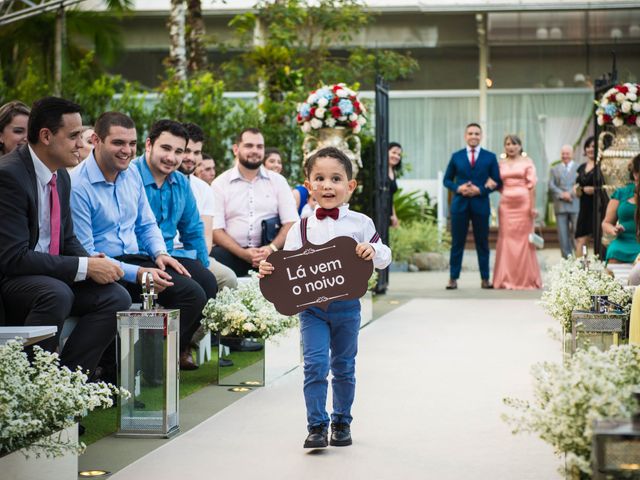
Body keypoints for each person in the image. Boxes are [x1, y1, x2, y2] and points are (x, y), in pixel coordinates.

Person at [258, 146, 391, 449]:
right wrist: (269, 269)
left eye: (336, 179)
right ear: (308, 186)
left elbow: (384, 256)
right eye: (319, 178)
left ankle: (342, 421)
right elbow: (285, 265)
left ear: (350, 186)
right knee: (315, 365)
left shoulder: (361, 224)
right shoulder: (301, 227)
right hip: (312, 311)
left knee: (344, 365)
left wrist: (374, 251)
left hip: (347, 309)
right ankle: (316, 425)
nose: (328, 185)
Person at [0, 97, 131, 376]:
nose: (81, 145)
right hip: (12, 280)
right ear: (46, 136)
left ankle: (67, 385)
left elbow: (67, 239)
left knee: (116, 296)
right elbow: (13, 258)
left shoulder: (62, 176)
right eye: (73, 136)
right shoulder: (8, 175)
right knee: (56, 294)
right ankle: (32, 387)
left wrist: (90, 260)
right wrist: (84, 267)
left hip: (47, 274)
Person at [70, 112, 207, 370]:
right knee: (189, 293)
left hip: (136, 258)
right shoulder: (78, 184)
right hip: (102, 268)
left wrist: (159, 253)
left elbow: (146, 224)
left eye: (131, 144)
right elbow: (86, 252)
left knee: (196, 288)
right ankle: (137, 368)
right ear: (96, 140)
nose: (127, 151)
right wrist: (140, 274)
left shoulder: (130, 174)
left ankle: (149, 365)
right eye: (118, 143)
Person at [211, 128, 298, 277]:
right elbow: (216, 229)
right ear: (236, 149)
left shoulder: (278, 181)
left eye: (260, 147)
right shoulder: (220, 183)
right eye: (249, 146)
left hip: (271, 253)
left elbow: (291, 222)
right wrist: (244, 253)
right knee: (213, 261)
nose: (255, 151)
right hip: (232, 253)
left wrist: (271, 248)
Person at [178, 123, 237, 291]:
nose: (191, 157)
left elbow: (206, 239)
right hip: (163, 253)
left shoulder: (203, 188)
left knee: (228, 278)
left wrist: (196, 263)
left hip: (194, 254)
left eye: (196, 153)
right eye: (186, 151)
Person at [443, 123, 501, 290]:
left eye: (477, 133)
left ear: (481, 136)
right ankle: (453, 278)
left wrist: (480, 190)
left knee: (482, 243)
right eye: (470, 133)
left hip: (480, 204)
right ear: (465, 136)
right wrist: (458, 188)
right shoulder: (456, 156)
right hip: (459, 205)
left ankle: (485, 278)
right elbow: (447, 180)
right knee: (457, 243)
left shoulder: (490, 157)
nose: (473, 136)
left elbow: (497, 181)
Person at [491, 135, 542, 289]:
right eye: (507, 144)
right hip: (506, 205)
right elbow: (497, 183)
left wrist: (533, 207)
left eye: (514, 144)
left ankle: (526, 279)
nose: (511, 147)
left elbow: (532, 186)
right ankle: (505, 278)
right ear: (504, 146)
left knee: (524, 240)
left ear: (520, 146)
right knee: (506, 238)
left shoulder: (528, 162)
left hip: (523, 205)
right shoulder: (500, 164)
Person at [601, 154, 640, 264]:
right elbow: (606, 223)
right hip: (623, 241)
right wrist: (613, 229)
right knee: (614, 252)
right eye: (635, 172)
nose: (636, 176)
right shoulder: (621, 193)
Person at [574, 136, 603, 256]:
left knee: (599, 240)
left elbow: (606, 187)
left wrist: (595, 190)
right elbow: (577, 184)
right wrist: (576, 189)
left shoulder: (602, 166)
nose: (591, 149)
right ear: (585, 149)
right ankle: (579, 270)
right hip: (584, 206)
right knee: (581, 239)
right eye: (588, 146)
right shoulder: (581, 167)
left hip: (597, 207)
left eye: (593, 146)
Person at [549, 144, 579, 258]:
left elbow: (580, 183)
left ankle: (578, 257)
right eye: (563, 154)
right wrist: (562, 194)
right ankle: (566, 260)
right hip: (560, 205)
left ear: (572, 154)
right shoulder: (554, 168)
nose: (565, 156)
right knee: (562, 234)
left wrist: (570, 193)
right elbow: (551, 185)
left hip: (575, 203)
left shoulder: (579, 167)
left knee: (577, 232)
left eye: (567, 153)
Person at [388, 141, 402, 227]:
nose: (396, 156)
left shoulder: (393, 172)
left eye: (399, 154)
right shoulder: (380, 172)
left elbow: (390, 197)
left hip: (388, 215)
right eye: (393, 152)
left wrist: (394, 215)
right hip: (378, 214)